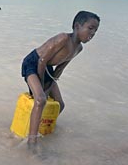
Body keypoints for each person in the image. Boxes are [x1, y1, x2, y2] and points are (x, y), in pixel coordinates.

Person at [21, 11, 100, 147]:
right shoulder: (63, 39)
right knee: (40, 99)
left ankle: (42, 126)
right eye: (90, 28)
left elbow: (59, 69)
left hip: (48, 68)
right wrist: (42, 87)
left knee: (60, 104)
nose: (92, 33)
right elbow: (42, 60)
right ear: (77, 26)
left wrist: (49, 86)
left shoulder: (78, 48)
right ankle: (31, 142)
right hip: (33, 63)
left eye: (96, 30)